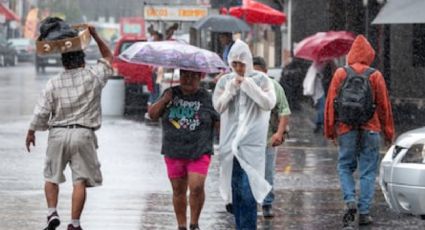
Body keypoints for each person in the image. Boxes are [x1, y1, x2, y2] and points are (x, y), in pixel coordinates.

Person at [25, 26, 113, 230]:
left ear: (63, 62)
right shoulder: (94, 75)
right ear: (82, 59)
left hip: (57, 134)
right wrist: (95, 35)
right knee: (79, 181)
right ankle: (74, 224)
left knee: (51, 176)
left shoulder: (53, 83)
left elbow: (41, 111)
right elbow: (109, 56)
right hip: (83, 134)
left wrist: (31, 131)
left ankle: (52, 212)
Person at [324, 35, 394, 228]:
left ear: (351, 54)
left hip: (346, 128)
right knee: (368, 171)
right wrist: (388, 133)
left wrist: (331, 131)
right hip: (371, 129)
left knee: (345, 166)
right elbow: (384, 107)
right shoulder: (375, 75)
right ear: (370, 54)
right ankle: (364, 212)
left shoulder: (340, 73)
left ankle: (349, 200)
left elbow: (331, 104)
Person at [213, 40, 276, 229]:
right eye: (235, 64)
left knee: (249, 191)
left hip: (252, 147)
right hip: (229, 147)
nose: (239, 68)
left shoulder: (262, 80)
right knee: (236, 192)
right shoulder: (225, 81)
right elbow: (218, 106)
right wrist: (232, 88)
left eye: (242, 64)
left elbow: (268, 103)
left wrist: (248, 85)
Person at [148, 69, 219, 230]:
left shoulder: (207, 97)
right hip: (174, 150)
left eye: (193, 76)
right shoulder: (170, 93)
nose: (188, 80)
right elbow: (152, 115)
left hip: (199, 150)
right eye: (184, 75)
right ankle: (181, 225)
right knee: (178, 190)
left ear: (200, 77)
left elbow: (218, 120)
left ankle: (194, 223)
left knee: (196, 187)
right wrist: (164, 100)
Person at [252, 56, 291, 218]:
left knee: (267, 172)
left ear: (266, 72)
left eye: (259, 72)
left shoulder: (275, 87)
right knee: (250, 172)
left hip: (268, 139)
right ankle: (250, 202)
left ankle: (267, 203)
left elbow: (284, 111)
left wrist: (279, 133)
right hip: (249, 140)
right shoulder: (246, 86)